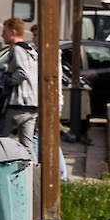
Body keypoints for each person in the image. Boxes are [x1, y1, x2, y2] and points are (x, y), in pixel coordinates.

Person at [0, 17, 39, 160]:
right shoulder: (31, 50)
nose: (2, 35)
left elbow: (22, 73)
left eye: (4, 32)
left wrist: (6, 81)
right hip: (33, 105)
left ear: (13, 32)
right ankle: (33, 180)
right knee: (27, 147)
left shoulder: (17, 49)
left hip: (18, 104)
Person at [29, 23, 68, 181]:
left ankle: (54, 174)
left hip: (50, 102)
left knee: (39, 137)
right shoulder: (42, 52)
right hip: (47, 102)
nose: (34, 39)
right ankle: (59, 175)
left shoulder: (50, 53)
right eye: (34, 36)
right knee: (46, 138)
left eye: (37, 36)